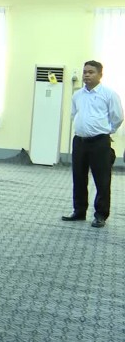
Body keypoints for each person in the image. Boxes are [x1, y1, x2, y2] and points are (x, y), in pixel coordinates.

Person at [62, 60, 122, 228]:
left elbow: (117, 117)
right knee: (79, 177)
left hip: (99, 142)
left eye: (91, 72)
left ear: (100, 75)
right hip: (80, 142)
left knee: (102, 179)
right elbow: (74, 114)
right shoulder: (77, 95)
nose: (87, 75)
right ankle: (79, 211)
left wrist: (106, 131)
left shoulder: (109, 94)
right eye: (85, 72)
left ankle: (101, 214)